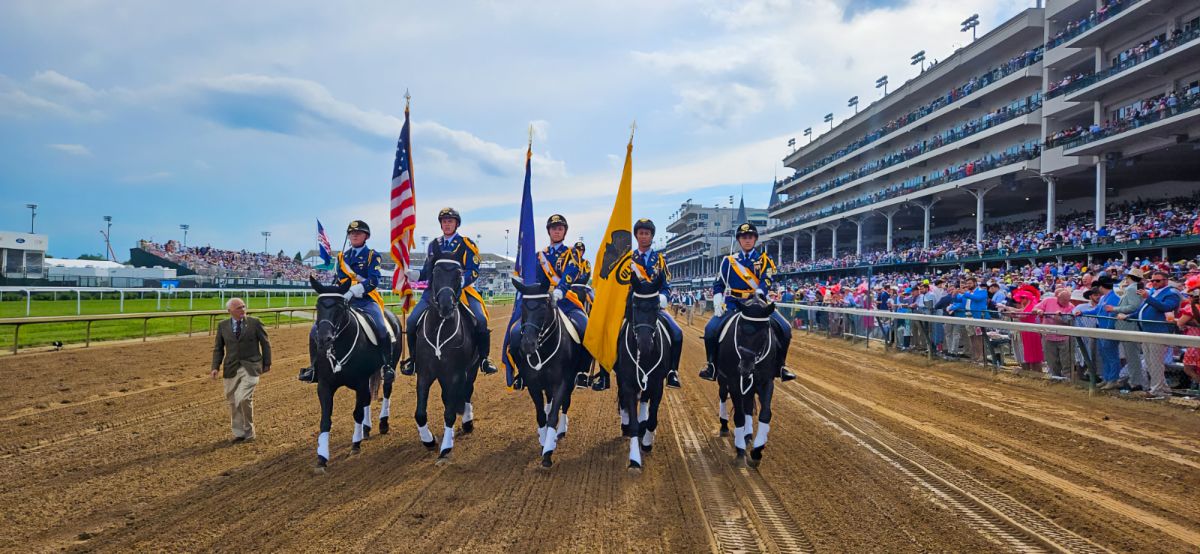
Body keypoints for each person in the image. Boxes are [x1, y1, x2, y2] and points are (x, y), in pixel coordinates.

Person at [402, 207, 498, 376]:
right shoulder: (434, 245)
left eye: (450, 221)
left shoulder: (466, 243)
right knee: (411, 321)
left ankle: (484, 359)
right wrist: (413, 274)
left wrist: (461, 281)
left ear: (456, 224)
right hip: (435, 292)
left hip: (462, 291)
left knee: (481, 320)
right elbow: (427, 271)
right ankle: (414, 360)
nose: (447, 224)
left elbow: (473, 270)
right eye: (444, 221)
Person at [699, 222, 797, 382]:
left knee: (785, 328)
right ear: (739, 240)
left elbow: (767, 280)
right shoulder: (728, 261)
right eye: (744, 237)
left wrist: (758, 293)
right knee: (710, 329)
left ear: (755, 239)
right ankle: (712, 365)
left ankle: (781, 365)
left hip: (758, 306)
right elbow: (719, 284)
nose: (747, 240)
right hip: (734, 305)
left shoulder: (765, 259)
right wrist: (717, 300)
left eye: (750, 237)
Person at [299, 220, 392, 383]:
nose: (355, 235)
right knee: (315, 330)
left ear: (366, 236)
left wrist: (354, 290)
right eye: (352, 233)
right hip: (344, 301)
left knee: (382, 327)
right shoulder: (342, 257)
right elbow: (340, 279)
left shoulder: (372, 255)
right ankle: (314, 367)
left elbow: (374, 280)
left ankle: (386, 365)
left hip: (366, 300)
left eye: (359, 233)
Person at [511, 214, 588, 390]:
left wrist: (560, 290)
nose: (557, 231)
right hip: (542, 305)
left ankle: (581, 372)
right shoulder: (540, 256)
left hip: (566, 301)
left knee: (585, 327)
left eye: (560, 228)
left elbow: (571, 271)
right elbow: (536, 280)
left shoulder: (572, 253)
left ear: (564, 232)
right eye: (554, 228)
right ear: (549, 231)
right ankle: (522, 372)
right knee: (516, 333)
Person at [627, 218, 684, 389]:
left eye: (647, 233)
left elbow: (666, 285)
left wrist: (663, 297)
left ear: (652, 236)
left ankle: (672, 371)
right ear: (636, 236)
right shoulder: (628, 259)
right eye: (641, 233)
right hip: (634, 308)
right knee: (612, 333)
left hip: (653, 307)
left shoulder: (660, 260)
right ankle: (608, 372)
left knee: (677, 333)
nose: (644, 236)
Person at [211, 298, 271, 443]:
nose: (242, 309)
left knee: (243, 398)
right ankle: (239, 433)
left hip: (251, 366)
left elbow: (265, 343)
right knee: (233, 401)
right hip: (231, 368)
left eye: (244, 306)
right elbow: (218, 348)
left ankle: (249, 433)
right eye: (238, 308)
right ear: (229, 311)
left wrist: (267, 363)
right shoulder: (222, 325)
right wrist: (215, 367)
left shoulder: (255, 322)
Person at [1130, 270, 1180, 397]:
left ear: (1166, 281)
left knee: (1156, 362)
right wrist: (1128, 316)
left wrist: (1148, 297)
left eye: (1157, 280)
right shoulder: (1152, 292)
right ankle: (1163, 388)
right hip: (1147, 331)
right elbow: (1142, 310)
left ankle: (1156, 390)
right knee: (1150, 362)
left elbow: (1165, 307)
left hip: (1159, 331)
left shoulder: (1171, 293)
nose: (1154, 283)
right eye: (1152, 281)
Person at [1076, 276, 1121, 387]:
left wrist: (1109, 330)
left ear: (1101, 286)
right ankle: (1107, 378)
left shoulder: (1114, 298)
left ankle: (1113, 379)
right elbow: (1096, 311)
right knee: (1105, 355)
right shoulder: (1104, 298)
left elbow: (1112, 315)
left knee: (1111, 355)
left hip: (1108, 331)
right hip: (1103, 330)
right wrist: (1083, 313)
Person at [1112, 268, 1147, 390]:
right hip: (1128, 326)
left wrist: (1114, 309)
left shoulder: (1133, 288)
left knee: (1133, 357)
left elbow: (1133, 307)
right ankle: (1134, 381)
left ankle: (1135, 383)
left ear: (1129, 277)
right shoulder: (1135, 287)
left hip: (1129, 326)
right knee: (1132, 356)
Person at [1174, 275, 1200, 391]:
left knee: (1188, 369)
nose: (1189, 297)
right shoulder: (1192, 307)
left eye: (1190, 295)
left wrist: (1174, 320)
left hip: (1193, 343)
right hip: (1193, 342)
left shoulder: (1190, 308)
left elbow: (1180, 323)